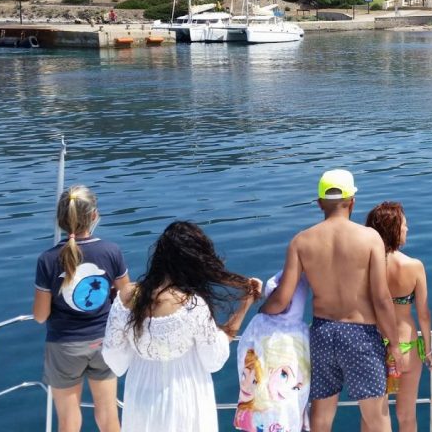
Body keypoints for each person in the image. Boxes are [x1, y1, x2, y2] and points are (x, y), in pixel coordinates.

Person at [261, 169, 403, 432]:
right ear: (352, 201)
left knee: (322, 417)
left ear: (319, 203)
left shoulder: (301, 241)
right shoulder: (370, 238)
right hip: (361, 335)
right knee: (377, 417)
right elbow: (382, 298)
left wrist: (259, 312)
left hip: (323, 334)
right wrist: (394, 345)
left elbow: (281, 299)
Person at [102, 221, 262, 432]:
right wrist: (245, 304)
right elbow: (214, 359)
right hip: (185, 396)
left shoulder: (126, 297)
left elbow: (115, 360)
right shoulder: (192, 305)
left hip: (140, 396)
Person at [33, 185, 128, 432]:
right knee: (108, 415)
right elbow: (127, 298)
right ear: (94, 216)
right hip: (104, 342)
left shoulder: (47, 259)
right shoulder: (111, 251)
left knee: (68, 420)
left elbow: (40, 316)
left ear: (60, 219)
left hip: (64, 347)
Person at [365, 201, 432, 432]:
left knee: (373, 418)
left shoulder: (366, 266)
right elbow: (424, 314)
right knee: (407, 416)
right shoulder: (414, 266)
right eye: (404, 225)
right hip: (407, 348)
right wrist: (428, 350)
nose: (407, 229)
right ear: (394, 229)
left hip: (374, 346)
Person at [234, 271, 312, 432]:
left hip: (259, 404)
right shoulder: (303, 331)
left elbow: (243, 352)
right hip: (288, 403)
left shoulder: (260, 321)